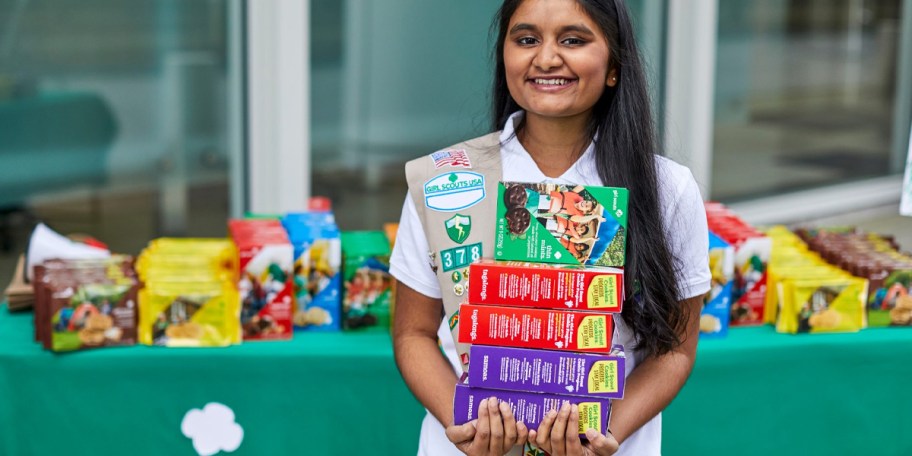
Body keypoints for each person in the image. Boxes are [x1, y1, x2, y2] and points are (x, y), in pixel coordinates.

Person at [390, 0, 710, 454]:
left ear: (615, 64)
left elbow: (675, 348)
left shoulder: (667, 190)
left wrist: (605, 431)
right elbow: (413, 333)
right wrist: (465, 423)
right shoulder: (445, 179)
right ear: (504, 58)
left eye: (573, 40)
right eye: (526, 40)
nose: (545, 58)